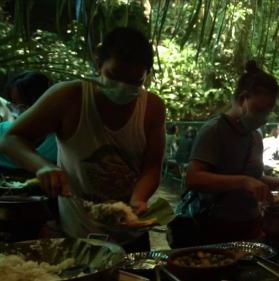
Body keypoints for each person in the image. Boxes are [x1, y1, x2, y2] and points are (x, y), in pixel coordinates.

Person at [0, 27, 166, 252]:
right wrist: (42, 167)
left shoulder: (153, 108)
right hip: (77, 233)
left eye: (134, 81)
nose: (121, 87)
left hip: (131, 231)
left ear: (146, 75)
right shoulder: (68, 98)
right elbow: (11, 139)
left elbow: (152, 166)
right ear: (99, 64)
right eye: (114, 76)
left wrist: (138, 199)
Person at [171, 60, 279, 246]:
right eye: (259, 110)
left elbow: (252, 177)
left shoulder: (255, 135)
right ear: (242, 100)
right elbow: (193, 178)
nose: (263, 118)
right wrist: (244, 182)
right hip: (213, 227)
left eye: (267, 112)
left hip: (248, 226)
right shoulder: (214, 130)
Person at [0, 71, 57, 171]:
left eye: (27, 104)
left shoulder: (59, 142)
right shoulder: (2, 131)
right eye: (14, 104)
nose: (20, 110)